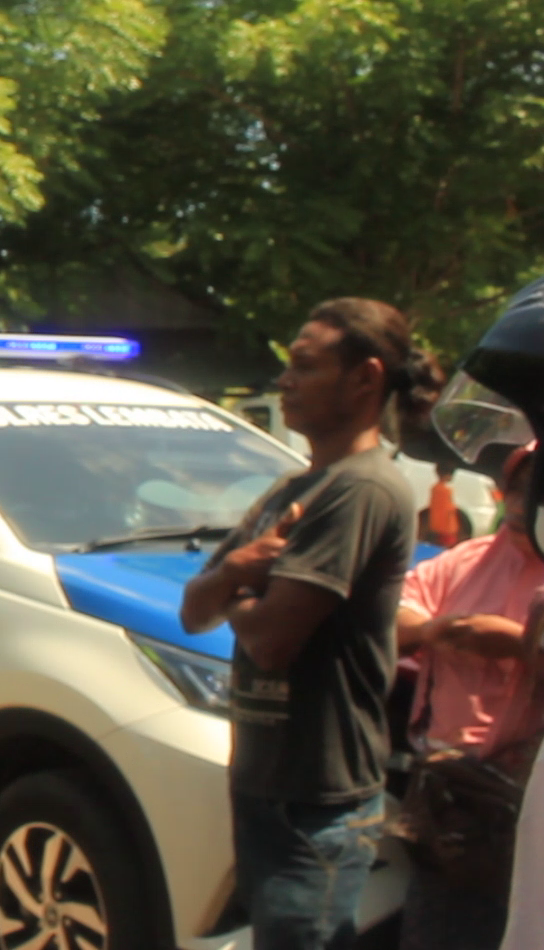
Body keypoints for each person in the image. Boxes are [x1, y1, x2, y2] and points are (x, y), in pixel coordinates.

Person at [179, 298, 438, 950]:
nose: (284, 383)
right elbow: (191, 611)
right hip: (265, 783)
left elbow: (269, 641)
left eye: (303, 366)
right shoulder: (292, 488)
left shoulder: (365, 490)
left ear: (366, 378)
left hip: (319, 802)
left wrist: (235, 587)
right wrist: (240, 568)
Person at [393, 443, 541, 949]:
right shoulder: (468, 560)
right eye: (520, 491)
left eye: (537, 494)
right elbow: (392, 615)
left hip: (527, 804)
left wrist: (518, 644)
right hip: (453, 803)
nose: (524, 506)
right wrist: (436, 630)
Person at [425, 464, 461, 547]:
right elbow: (450, 508)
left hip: (435, 524)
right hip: (447, 527)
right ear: (447, 475)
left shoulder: (434, 488)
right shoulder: (447, 490)